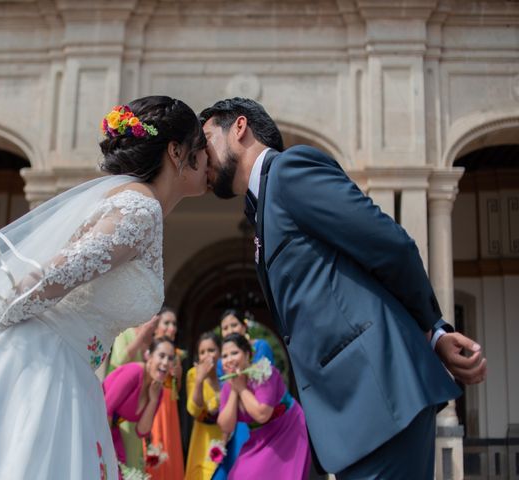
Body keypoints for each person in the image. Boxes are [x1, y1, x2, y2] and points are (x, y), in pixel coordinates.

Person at [0, 96, 209, 480]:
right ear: (176, 151)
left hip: (68, 365)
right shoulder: (142, 209)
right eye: (201, 148)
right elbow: (55, 275)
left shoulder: (131, 202)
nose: (208, 160)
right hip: (44, 365)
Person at [200, 97, 487, 479]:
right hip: (354, 416)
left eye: (206, 140)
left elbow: (388, 244)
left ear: (238, 127)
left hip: (380, 397)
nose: (201, 158)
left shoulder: (290, 170)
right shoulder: (262, 208)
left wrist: (433, 329)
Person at [217, 333, 310, 479]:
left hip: (287, 429)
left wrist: (241, 388)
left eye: (234, 353)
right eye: (224, 356)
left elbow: (262, 414)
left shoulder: (264, 373)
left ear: (247, 354)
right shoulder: (227, 387)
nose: (229, 360)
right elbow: (226, 426)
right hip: (259, 437)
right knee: (238, 475)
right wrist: (235, 390)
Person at [213, 308, 274, 479]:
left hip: (260, 414)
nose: (230, 330)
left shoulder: (260, 347)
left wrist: (239, 383)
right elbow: (226, 396)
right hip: (237, 420)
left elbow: (263, 381)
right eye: (225, 328)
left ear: (244, 326)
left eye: (234, 325)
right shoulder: (221, 363)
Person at [103, 337, 175, 475]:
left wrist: (153, 400)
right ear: (149, 356)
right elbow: (106, 408)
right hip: (97, 420)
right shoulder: (134, 372)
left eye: (170, 358)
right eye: (161, 355)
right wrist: (106, 449)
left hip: (110, 428)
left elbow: (142, 431)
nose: (165, 362)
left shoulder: (157, 391)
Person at [106, 314, 160, 470]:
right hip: (117, 408)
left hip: (137, 409)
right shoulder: (125, 332)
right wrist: (142, 333)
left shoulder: (153, 339)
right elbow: (119, 362)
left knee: (134, 463)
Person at [145, 307, 185, 480]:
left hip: (169, 407)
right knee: (155, 448)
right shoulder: (149, 349)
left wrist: (179, 376)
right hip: (153, 404)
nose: (172, 327)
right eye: (167, 322)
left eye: (174, 324)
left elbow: (177, 390)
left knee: (170, 448)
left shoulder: (176, 355)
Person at [184, 332, 222, 480]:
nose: (207, 355)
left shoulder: (226, 373)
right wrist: (200, 380)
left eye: (211, 350)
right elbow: (193, 409)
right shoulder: (193, 374)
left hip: (226, 438)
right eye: (202, 352)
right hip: (203, 442)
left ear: (220, 351)